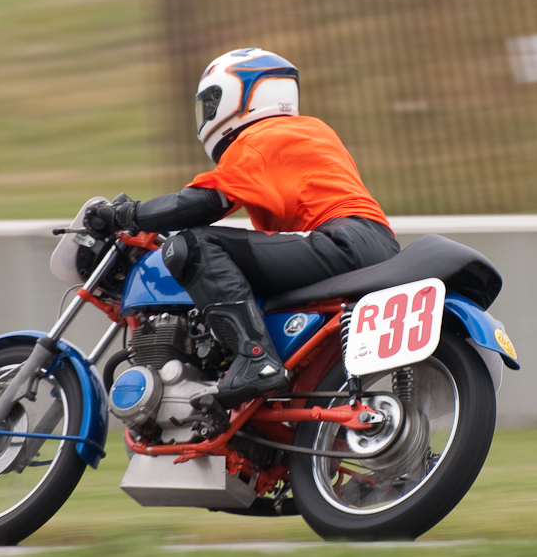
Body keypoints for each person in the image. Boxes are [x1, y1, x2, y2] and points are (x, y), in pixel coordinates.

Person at [84, 48, 399, 407]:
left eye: (213, 100)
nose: (208, 113)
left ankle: (256, 359)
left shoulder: (264, 135)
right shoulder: (306, 131)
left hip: (342, 241)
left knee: (191, 247)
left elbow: (203, 201)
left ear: (246, 95)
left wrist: (127, 215)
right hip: (366, 242)